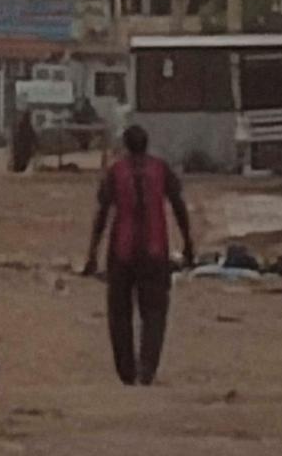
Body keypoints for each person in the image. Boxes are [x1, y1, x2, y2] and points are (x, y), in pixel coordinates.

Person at [84, 125, 195, 386]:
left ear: (125, 145)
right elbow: (179, 205)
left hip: (121, 253)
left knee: (119, 314)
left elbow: (102, 214)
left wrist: (92, 252)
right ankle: (147, 369)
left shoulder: (116, 172)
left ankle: (126, 372)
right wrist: (189, 243)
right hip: (155, 251)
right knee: (154, 313)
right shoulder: (161, 169)